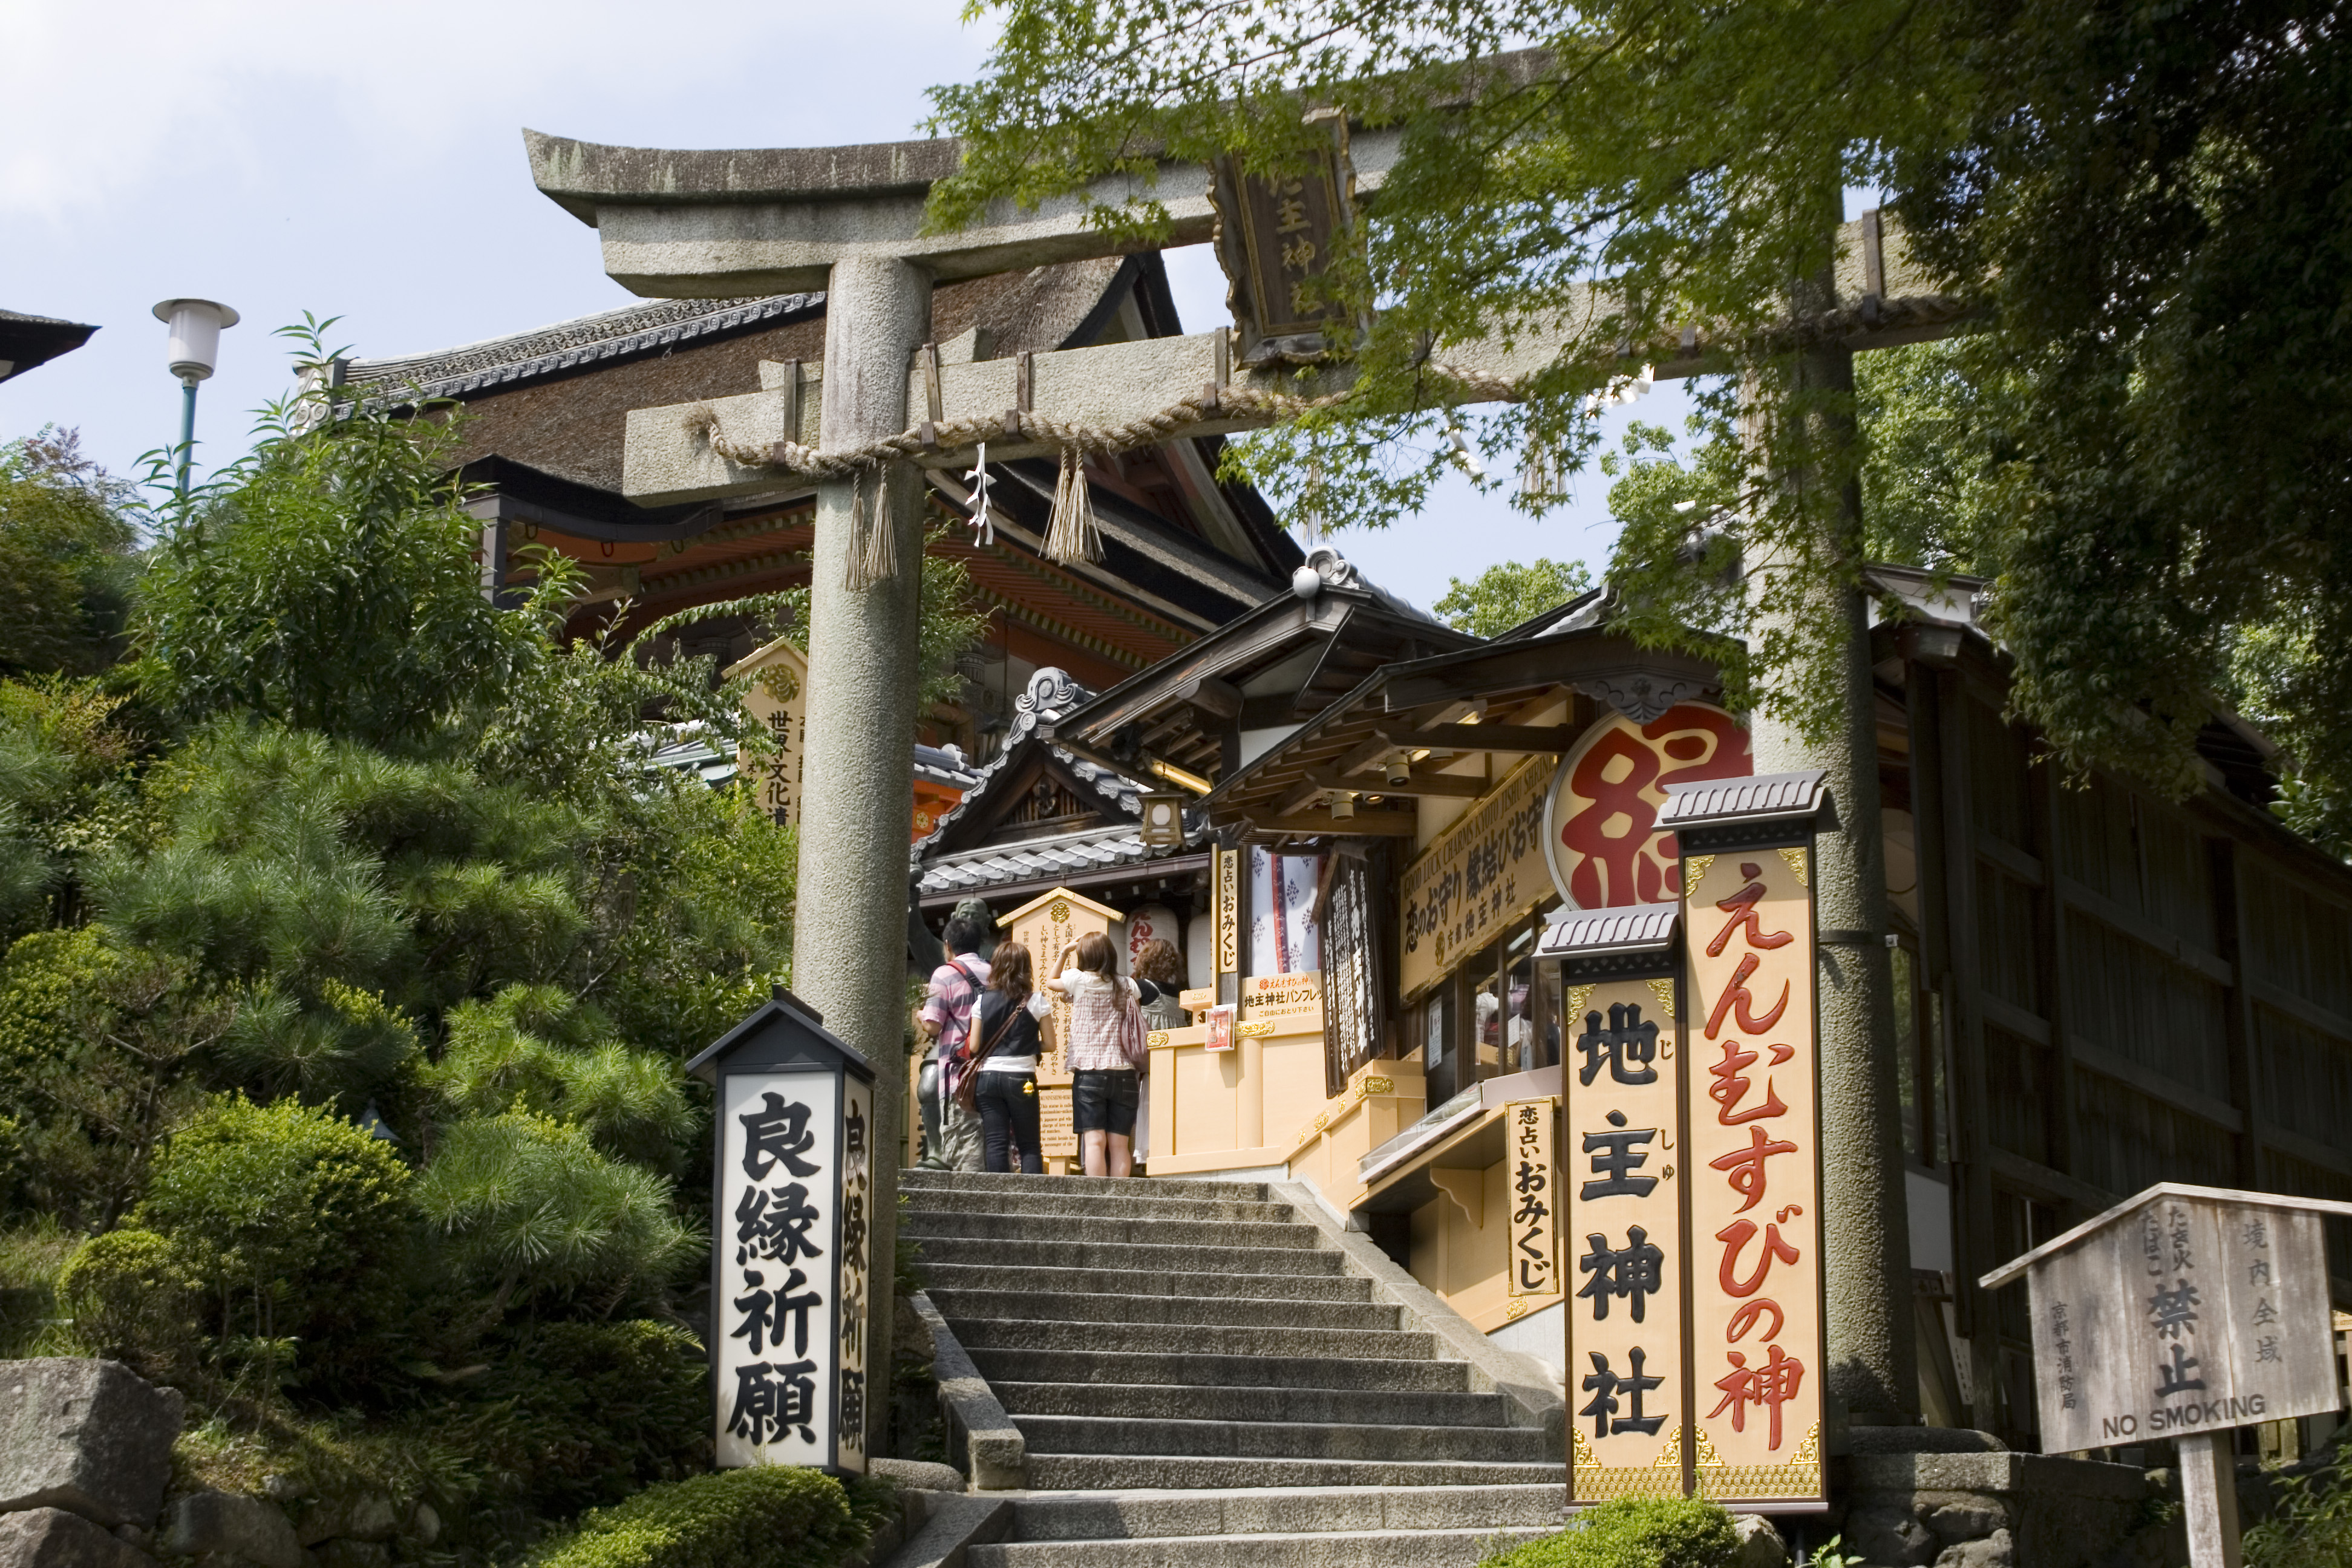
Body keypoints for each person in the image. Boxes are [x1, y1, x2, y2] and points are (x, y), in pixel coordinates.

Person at [1045, 932, 1149, 1177]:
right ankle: (1119, 1201)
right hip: (1124, 1072)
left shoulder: (1078, 980)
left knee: (1094, 1142)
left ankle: (1098, 1202)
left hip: (1089, 1073)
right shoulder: (1128, 984)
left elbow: (1051, 982)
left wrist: (1064, 952)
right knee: (1119, 1144)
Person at [967, 942, 1053, 1173]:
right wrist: (1025, 1044)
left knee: (996, 1143)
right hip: (1023, 1082)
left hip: (987, 1082)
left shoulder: (981, 1001)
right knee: (1030, 1145)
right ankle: (1030, 1201)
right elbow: (1050, 1044)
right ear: (1026, 969)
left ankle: (998, 1202)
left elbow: (974, 1045)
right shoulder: (1036, 1001)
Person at [916, 915, 990, 1172]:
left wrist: (921, 1016)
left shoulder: (944, 974)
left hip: (959, 1075)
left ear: (947, 945)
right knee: (991, 1144)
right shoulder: (996, 973)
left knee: (962, 1150)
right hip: (994, 1071)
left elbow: (933, 1026)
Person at [1130, 939, 1187, 1171]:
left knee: (1148, 1104)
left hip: (1152, 1057)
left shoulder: (1142, 987)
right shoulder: (1181, 992)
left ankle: (1147, 1156)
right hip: (1177, 1058)